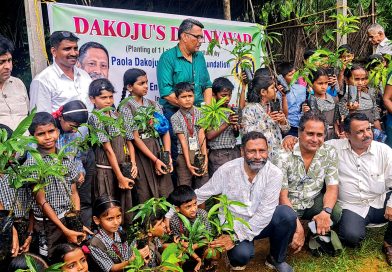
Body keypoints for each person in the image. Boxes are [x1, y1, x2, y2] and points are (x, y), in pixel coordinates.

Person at [282, 113, 392, 266]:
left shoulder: (384, 151)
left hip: (380, 201)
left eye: (369, 129)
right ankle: (321, 231)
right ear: (347, 134)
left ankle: (389, 243)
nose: (367, 134)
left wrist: (391, 203)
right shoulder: (333, 148)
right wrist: (290, 138)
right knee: (351, 237)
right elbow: (311, 140)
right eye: (360, 131)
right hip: (353, 206)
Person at [192, 131, 296, 272]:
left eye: (262, 151)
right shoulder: (227, 170)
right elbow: (202, 193)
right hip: (235, 224)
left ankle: (276, 258)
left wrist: (234, 238)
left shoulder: (274, 174)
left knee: (287, 214)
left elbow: (265, 213)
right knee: (241, 256)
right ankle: (235, 256)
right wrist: (171, 213)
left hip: (261, 223)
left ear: (268, 151)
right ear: (242, 151)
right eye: (252, 151)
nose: (258, 156)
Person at [276, 111, 341, 254]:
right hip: (288, 205)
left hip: (312, 201)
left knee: (335, 212)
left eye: (320, 135)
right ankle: (299, 230)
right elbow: (282, 196)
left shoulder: (329, 152)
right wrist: (298, 228)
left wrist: (325, 212)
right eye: (310, 133)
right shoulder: (283, 155)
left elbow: (332, 187)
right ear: (299, 132)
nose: (315, 139)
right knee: (286, 238)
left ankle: (314, 230)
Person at [25, 112, 86, 258]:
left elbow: (74, 192)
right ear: (33, 137)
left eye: (51, 131)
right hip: (48, 224)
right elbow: (41, 202)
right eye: (41, 133)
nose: (47, 137)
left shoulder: (66, 157)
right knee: (53, 259)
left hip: (68, 218)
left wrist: (75, 219)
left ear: (57, 131)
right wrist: (64, 229)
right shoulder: (33, 164)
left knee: (71, 257)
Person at [157, 18, 212, 160]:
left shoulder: (200, 57)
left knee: (201, 152)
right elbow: (167, 93)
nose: (201, 41)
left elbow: (207, 85)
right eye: (197, 37)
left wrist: (207, 112)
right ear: (184, 36)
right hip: (175, 113)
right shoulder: (167, 58)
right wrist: (187, 108)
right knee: (179, 154)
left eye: (202, 37)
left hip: (199, 115)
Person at [119, 68, 173, 204]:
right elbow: (135, 138)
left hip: (157, 148)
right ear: (129, 87)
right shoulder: (126, 107)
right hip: (141, 153)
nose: (146, 86)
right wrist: (155, 160)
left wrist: (167, 155)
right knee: (145, 190)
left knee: (164, 188)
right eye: (141, 83)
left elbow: (165, 130)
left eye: (147, 82)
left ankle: (165, 222)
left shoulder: (153, 104)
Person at [88, 78, 137, 226]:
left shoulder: (118, 115)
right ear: (92, 99)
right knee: (108, 206)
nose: (108, 101)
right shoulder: (96, 118)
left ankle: (124, 237)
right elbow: (108, 150)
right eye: (103, 97)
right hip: (106, 172)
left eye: (110, 97)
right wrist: (119, 177)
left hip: (123, 169)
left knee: (124, 205)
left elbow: (130, 141)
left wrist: (133, 163)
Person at [51, 100, 92, 227]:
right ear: (61, 118)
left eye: (78, 127)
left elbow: (76, 157)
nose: (75, 131)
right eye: (73, 126)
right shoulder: (49, 134)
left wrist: (80, 171)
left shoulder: (72, 135)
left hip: (70, 187)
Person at [29, 31, 92, 113]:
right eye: (67, 49)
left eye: (75, 48)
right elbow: (41, 120)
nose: (73, 53)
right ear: (54, 52)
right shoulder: (43, 81)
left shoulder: (84, 75)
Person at [89, 195, 149, 272]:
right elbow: (112, 268)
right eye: (110, 219)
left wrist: (143, 253)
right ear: (96, 220)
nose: (116, 222)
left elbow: (129, 253)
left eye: (118, 216)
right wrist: (132, 260)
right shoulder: (95, 244)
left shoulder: (122, 234)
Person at [170, 82, 208, 189]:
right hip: (183, 156)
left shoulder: (200, 113)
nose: (187, 99)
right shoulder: (175, 117)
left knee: (203, 187)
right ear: (177, 99)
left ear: (194, 97)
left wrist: (205, 158)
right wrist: (188, 163)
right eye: (183, 97)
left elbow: (202, 135)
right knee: (184, 186)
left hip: (199, 153)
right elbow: (183, 141)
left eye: (190, 96)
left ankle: (201, 206)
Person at [242, 76, 290, 159]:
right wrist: (267, 120)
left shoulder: (274, 105)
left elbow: (286, 129)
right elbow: (245, 132)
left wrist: (283, 122)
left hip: (277, 154)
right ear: (263, 92)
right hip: (259, 157)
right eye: (272, 88)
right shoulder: (250, 109)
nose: (276, 90)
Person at [167, 185, 213, 272]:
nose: (193, 209)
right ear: (177, 209)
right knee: (178, 255)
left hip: (201, 247)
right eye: (188, 207)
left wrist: (194, 246)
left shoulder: (202, 214)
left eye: (195, 204)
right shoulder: (175, 221)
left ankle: (208, 265)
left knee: (212, 252)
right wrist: (196, 257)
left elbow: (208, 238)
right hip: (187, 251)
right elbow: (181, 244)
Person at [207, 77, 240, 176]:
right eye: (223, 95)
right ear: (214, 95)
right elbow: (208, 136)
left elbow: (236, 135)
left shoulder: (232, 109)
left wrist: (236, 128)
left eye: (229, 95)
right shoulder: (209, 111)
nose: (227, 98)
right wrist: (227, 123)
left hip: (233, 151)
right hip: (218, 154)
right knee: (219, 186)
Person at [302, 68, 341, 140]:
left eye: (326, 83)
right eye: (320, 83)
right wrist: (305, 113)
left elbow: (335, 119)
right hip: (317, 135)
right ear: (311, 83)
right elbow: (305, 123)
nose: (324, 87)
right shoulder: (309, 102)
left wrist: (337, 130)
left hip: (332, 134)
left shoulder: (334, 99)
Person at [0, 35, 29, 130]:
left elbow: (28, 117)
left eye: (9, 60)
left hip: (26, 143)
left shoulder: (18, 83)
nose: (8, 66)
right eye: (2, 62)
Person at [341, 64, 382, 131]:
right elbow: (344, 124)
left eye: (363, 79)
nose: (360, 83)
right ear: (346, 80)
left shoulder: (369, 97)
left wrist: (380, 134)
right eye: (356, 79)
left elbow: (375, 119)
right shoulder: (344, 100)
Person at [277, 62, 307, 137]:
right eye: (290, 75)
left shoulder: (302, 88)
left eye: (294, 73)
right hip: (289, 127)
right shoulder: (278, 93)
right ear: (282, 78)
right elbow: (282, 113)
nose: (294, 77)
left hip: (303, 125)